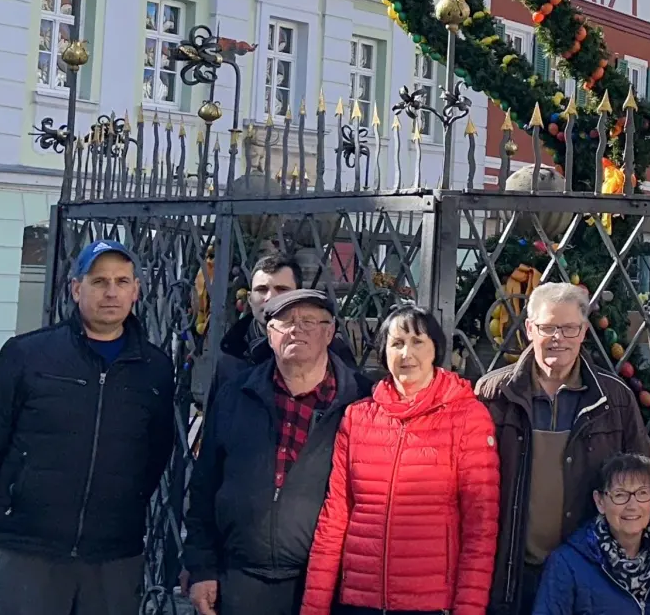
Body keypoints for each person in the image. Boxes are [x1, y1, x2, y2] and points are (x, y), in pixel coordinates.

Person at [0, 239, 176, 615]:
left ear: (136, 291)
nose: (111, 292)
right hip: (32, 549)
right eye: (99, 281)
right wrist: (6, 510)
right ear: (77, 288)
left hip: (114, 554)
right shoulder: (27, 354)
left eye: (122, 281)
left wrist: (124, 509)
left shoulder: (155, 368)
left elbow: (155, 451)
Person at [302, 303, 501, 615]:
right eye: (397, 343)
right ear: (384, 353)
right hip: (358, 600)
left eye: (418, 342)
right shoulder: (358, 417)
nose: (407, 354)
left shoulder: (468, 416)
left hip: (430, 603)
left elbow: (481, 527)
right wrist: (314, 607)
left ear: (436, 349)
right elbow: (336, 515)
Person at [185, 288, 373, 615]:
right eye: (286, 321)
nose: (298, 329)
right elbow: (204, 486)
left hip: (325, 588)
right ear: (270, 334)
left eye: (311, 321)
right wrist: (201, 568)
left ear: (330, 333)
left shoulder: (360, 401)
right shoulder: (236, 395)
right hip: (240, 582)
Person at [476, 281, 650, 615]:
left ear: (584, 332)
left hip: (589, 571)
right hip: (511, 571)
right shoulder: (493, 395)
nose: (559, 338)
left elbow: (641, 480)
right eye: (548, 327)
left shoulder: (613, 399)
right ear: (529, 329)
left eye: (570, 328)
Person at [532, 454, 650, 615]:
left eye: (642, 493)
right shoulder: (566, 564)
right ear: (600, 501)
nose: (632, 505)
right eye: (620, 494)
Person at [208, 254, 356, 405]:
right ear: (250, 298)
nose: (271, 297)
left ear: (298, 295)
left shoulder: (332, 350)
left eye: (282, 289)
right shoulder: (230, 357)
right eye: (261, 289)